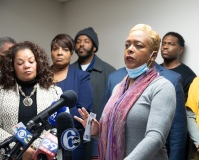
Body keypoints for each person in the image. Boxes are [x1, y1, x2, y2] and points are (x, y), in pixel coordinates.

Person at [75, 24, 176, 160]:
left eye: (138, 46)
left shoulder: (162, 87)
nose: (130, 49)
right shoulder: (119, 88)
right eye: (127, 45)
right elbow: (118, 134)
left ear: (153, 55)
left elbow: (155, 138)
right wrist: (97, 131)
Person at [0, 41, 62, 160]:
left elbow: (60, 127)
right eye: (20, 63)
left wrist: (36, 150)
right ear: (12, 67)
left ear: (38, 63)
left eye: (31, 61)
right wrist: (20, 149)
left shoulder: (55, 92)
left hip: (42, 156)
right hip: (8, 155)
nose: (27, 65)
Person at [72, 27, 116, 159]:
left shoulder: (109, 72)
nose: (81, 44)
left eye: (86, 41)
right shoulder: (69, 70)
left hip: (98, 140)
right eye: (78, 41)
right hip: (72, 138)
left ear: (94, 47)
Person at [50, 33, 93, 159]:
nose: (59, 53)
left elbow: (83, 109)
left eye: (65, 49)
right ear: (51, 52)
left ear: (71, 54)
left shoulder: (81, 77)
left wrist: (54, 119)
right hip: (44, 139)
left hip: (72, 139)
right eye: (55, 49)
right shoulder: (41, 77)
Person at [161, 32, 196, 101]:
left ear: (180, 50)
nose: (165, 47)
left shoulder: (188, 76)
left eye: (171, 44)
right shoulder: (153, 70)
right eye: (163, 44)